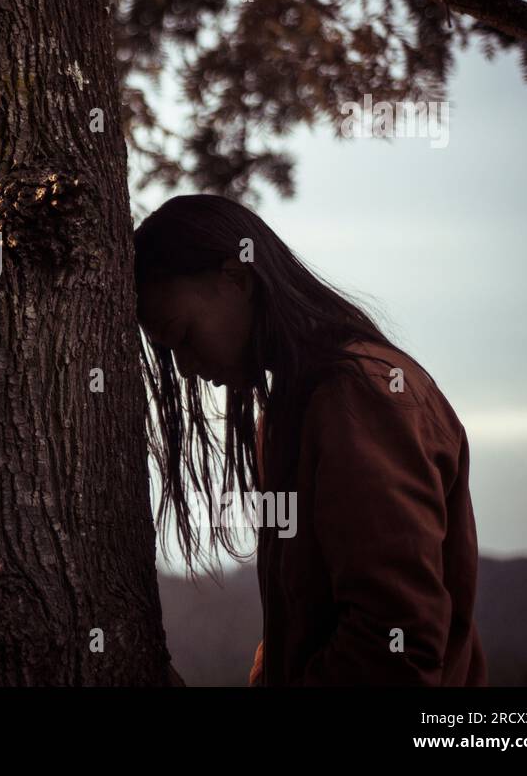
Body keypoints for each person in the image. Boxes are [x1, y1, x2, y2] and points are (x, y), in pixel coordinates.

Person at [134, 193, 487, 686]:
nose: (187, 368)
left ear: (236, 278)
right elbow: (303, 628)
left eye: (183, 335)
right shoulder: (290, 414)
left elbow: (393, 642)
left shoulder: (360, 395)